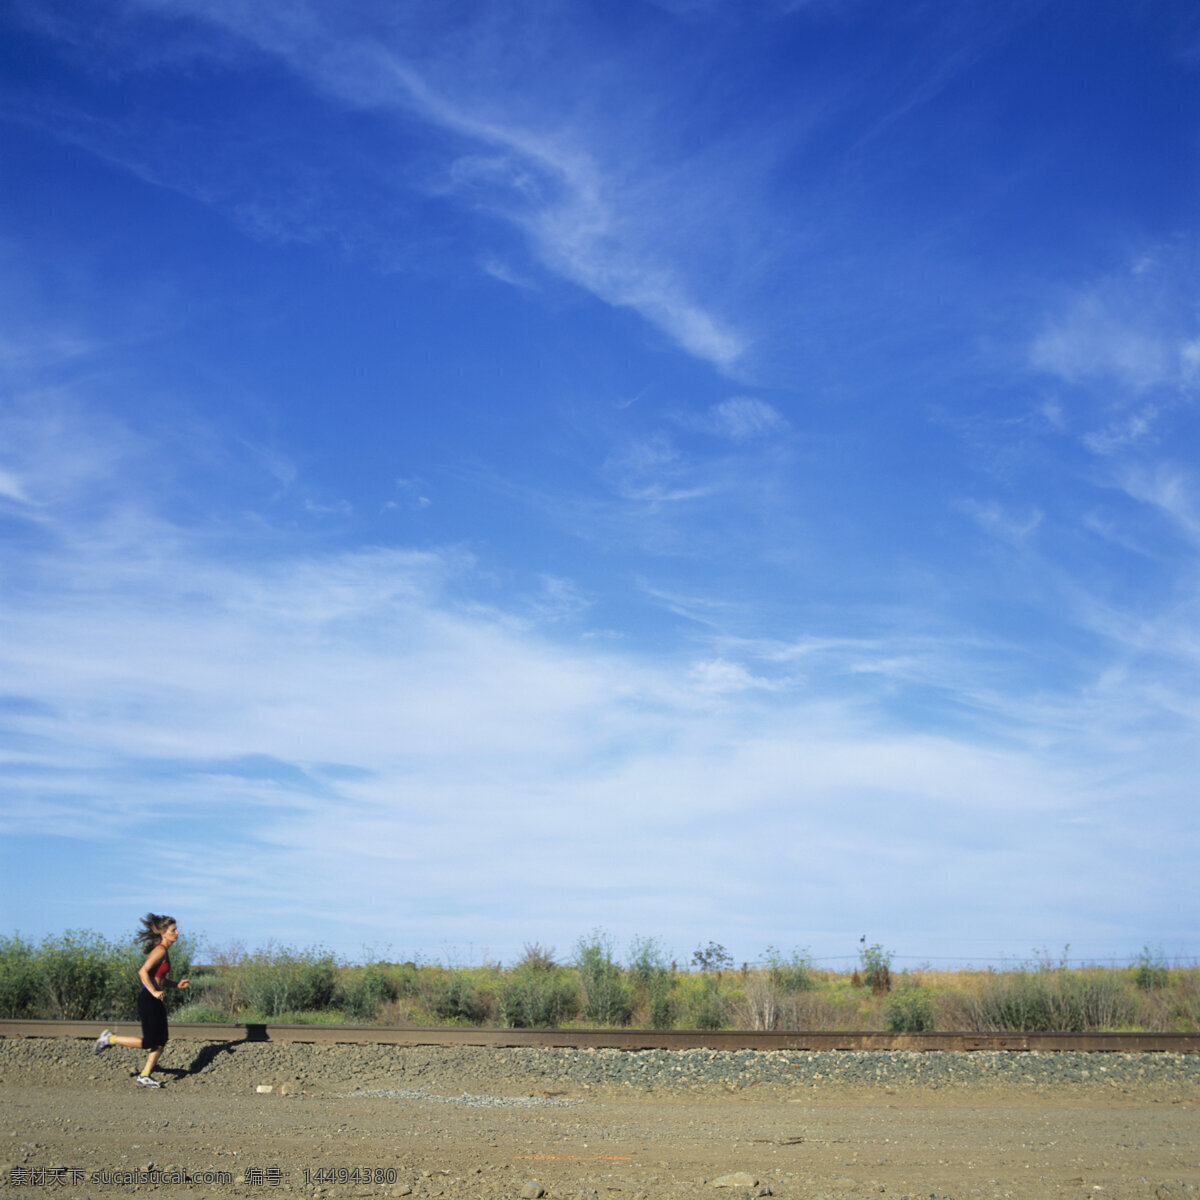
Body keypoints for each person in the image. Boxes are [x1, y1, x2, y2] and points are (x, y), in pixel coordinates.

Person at [94, 913, 190, 1087]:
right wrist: (153, 992)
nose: (177, 933)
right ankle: (109, 1039)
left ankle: (144, 1076)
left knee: (161, 1040)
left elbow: (158, 978)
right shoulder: (160, 950)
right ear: (164, 933)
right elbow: (142, 972)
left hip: (155, 998)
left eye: (176, 930)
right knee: (149, 1042)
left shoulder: (165, 952)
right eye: (173, 930)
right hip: (148, 998)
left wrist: (176, 985)